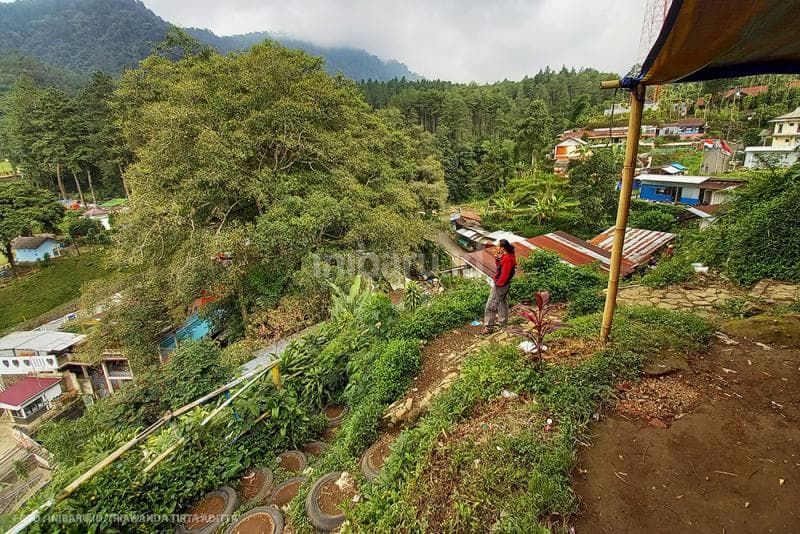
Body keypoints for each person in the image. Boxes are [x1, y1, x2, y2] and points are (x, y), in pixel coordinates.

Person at [481, 239, 516, 333]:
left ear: (502, 248)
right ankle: (503, 323)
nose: (496, 247)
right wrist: (497, 258)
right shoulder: (507, 256)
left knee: (491, 305)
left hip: (501, 285)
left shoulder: (507, 258)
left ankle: (489, 327)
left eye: (497, 246)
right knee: (502, 302)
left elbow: (505, 273)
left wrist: (498, 284)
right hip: (504, 284)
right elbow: (500, 267)